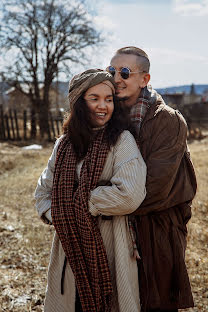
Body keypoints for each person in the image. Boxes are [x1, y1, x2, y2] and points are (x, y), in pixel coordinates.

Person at [34, 69, 147, 312]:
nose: (103, 106)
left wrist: (82, 203)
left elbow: (130, 194)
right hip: (69, 248)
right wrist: (61, 215)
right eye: (94, 98)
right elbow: (42, 194)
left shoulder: (122, 141)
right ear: (78, 102)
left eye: (108, 99)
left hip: (110, 246)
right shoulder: (64, 145)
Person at [107, 47, 197, 312]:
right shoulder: (108, 114)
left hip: (158, 227)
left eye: (125, 72)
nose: (116, 78)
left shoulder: (167, 120)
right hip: (119, 225)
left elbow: (154, 188)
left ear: (144, 80)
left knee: (153, 302)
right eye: (111, 71)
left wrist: (98, 200)